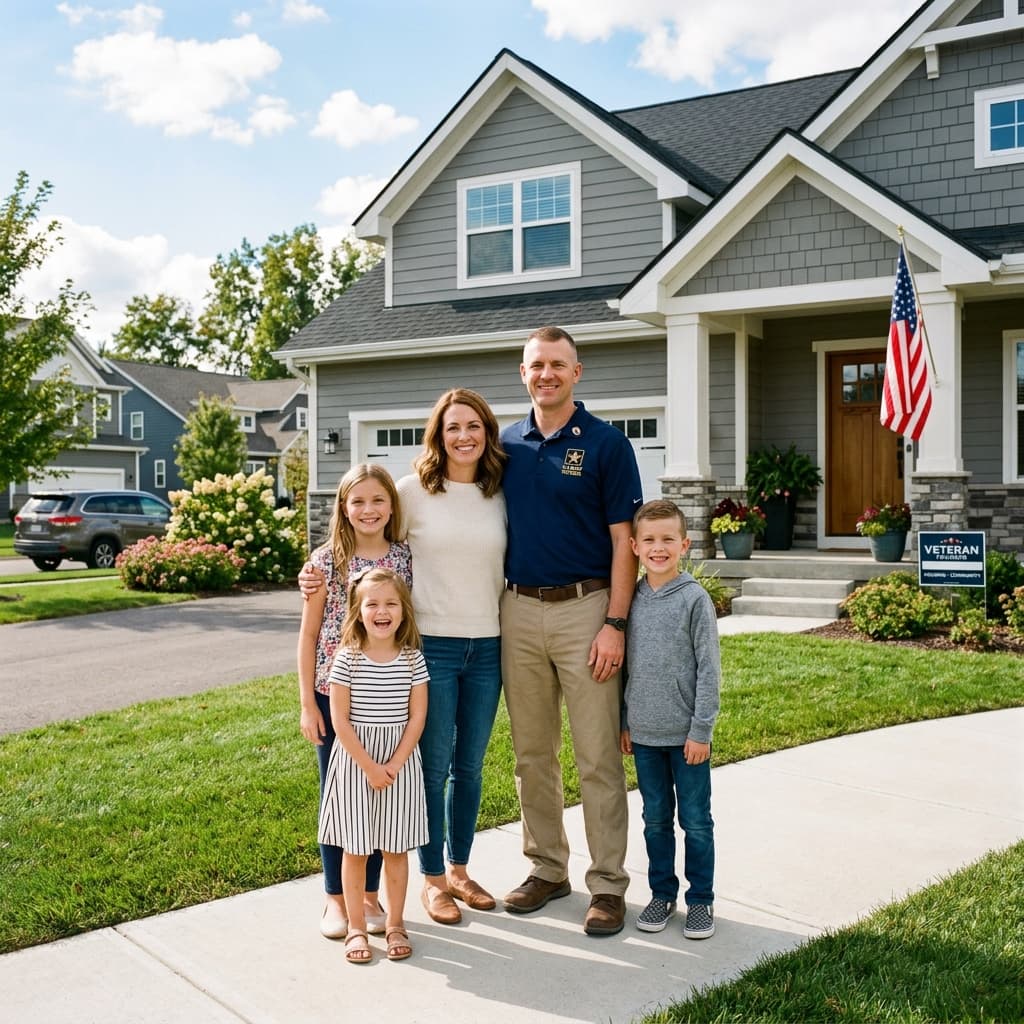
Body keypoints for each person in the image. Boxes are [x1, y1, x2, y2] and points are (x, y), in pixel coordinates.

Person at [500, 325, 642, 936]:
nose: (547, 374)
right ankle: (547, 868)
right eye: (537, 365)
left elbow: (624, 541)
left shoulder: (608, 444)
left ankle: (607, 884)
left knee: (596, 757)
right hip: (516, 611)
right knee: (532, 754)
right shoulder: (503, 444)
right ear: (523, 372)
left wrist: (615, 622)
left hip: (587, 610)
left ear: (577, 372)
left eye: (558, 364)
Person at [397, 388, 507, 925]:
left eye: (474, 426)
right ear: (438, 435)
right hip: (432, 649)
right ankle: (433, 880)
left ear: (487, 432)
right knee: (432, 768)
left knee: (471, 767)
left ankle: (461, 870)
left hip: (489, 645)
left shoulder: (499, 493)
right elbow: (364, 538)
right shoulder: (411, 493)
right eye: (453, 427)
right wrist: (318, 570)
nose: (464, 436)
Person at [296, 464, 412, 940]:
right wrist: (307, 703)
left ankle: (368, 896)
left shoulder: (403, 558)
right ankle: (334, 898)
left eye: (377, 500)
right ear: (343, 507)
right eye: (358, 501)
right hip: (334, 697)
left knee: (378, 798)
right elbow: (308, 635)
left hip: (387, 700)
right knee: (339, 798)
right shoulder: (325, 563)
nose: (368, 510)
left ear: (391, 506)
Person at [619, 499, 720, 939]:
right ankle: (662, 895)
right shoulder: (630, 600)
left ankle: (701, 901)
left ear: (684, 544)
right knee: (655, 818)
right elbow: (626, 668)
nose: (658, 549)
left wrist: (701, 730)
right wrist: (626, 721)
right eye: (649, 541)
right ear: (634, 546)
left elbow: (709, 670)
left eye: (667, 540)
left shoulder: (695, 599)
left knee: (695, 821)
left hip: (687, 738)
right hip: (643, 734)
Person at [318, 567, 429, 964]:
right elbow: (340, 721)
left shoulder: (413, 660)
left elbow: (417, 717)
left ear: (403, 611)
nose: (382, 611)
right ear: (358, 610)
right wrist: (369, 766)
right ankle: (356, 928)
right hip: (355, 764)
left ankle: (396, 922)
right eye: (372, 604)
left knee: (395, 849)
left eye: (390, 604)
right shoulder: (346, 659)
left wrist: (394, 763)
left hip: (399, 764)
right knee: (356, 849)